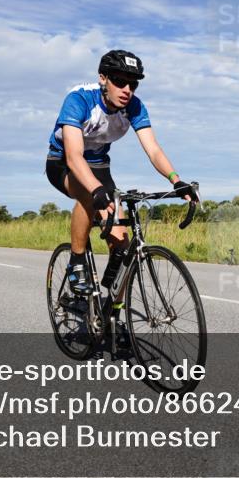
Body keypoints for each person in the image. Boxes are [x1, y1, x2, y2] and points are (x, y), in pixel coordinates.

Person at [45, 50, 196, 342]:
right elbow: (75, 157)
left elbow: (153, 149)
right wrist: (97, 190)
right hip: (63, 163)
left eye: (133, 84)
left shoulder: (135, 107)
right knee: (90, 199)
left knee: (123, 244)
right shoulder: (79, 99)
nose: (127, 89)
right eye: (119, 81)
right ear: (103, 79)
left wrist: (177, 181)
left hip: (99, 166)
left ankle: (110, 308)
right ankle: (77, 261)